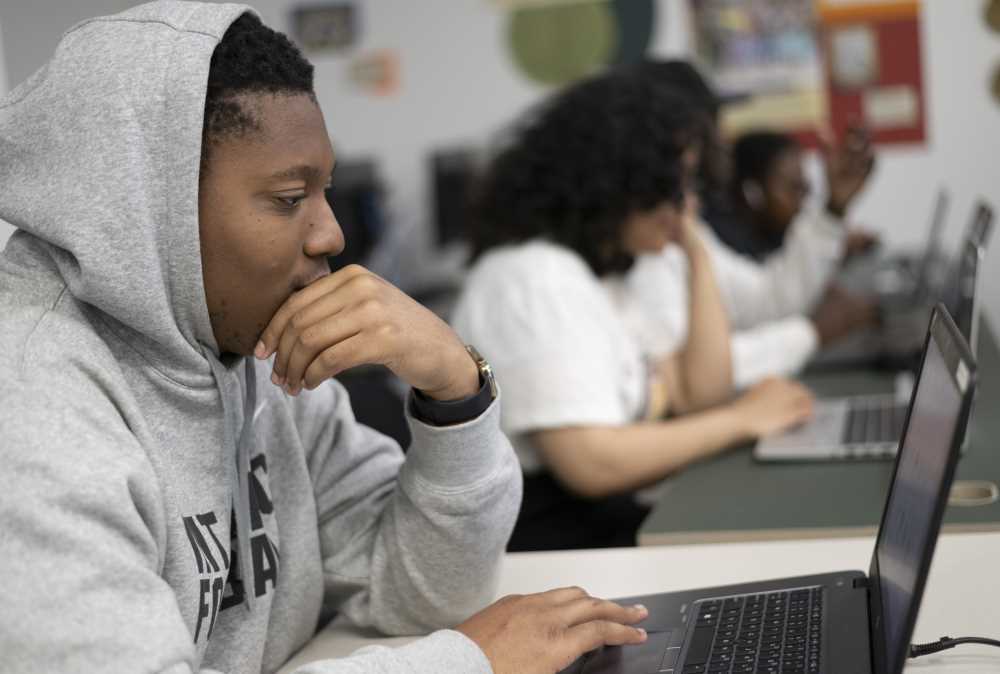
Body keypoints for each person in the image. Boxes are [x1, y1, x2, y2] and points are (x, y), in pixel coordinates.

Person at [0, 4, 651, 672]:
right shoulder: (29, 404)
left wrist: (454, 389)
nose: (331, 234)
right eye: (289, 199)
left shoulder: (250, 347)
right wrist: (464, 664)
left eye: (325, 192)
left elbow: (420, 590)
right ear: (145, 207)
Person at [450, 69, 814, 552]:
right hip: (554, 551)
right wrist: (744, 420)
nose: (686, 204)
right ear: (616, 182)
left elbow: (698, 393)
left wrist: (697, 254)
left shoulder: (608, 273)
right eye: (672, 185)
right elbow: (593, 463)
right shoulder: (534, 277)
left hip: (602, 528)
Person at [622, 59, 878, 388]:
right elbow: (693, 371)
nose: (722, 139)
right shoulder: (641, 243)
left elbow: (765, 301)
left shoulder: (687, 227)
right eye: (710, 126)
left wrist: (833, 209)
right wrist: (811, 333)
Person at [719, 130, 879, 262]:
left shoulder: (782, 232)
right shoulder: (733, 252)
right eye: (794, 188)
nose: (804, 198)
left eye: (805, 187)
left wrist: (839, 245)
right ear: (753, 193)